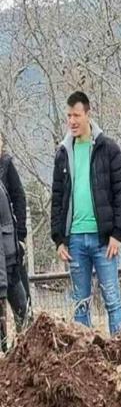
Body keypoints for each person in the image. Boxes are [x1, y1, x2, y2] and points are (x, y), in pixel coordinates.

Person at [50, 91, 121, 334]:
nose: (72, 121)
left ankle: (119, 354)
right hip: (74, 240)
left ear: (87, 115)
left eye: (76, 115)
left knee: (112, 299)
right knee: (80, 304)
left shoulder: (108, 149)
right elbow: (56, 198)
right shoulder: (64, 153)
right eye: (68, 116)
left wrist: (117, 233)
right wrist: (58, 238)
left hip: (103, 240)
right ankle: (85, 359)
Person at [0, 134, 30, 341]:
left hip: (9, 252)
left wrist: (20, 236)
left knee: (22, 307)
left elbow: (19, 198)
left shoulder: (6, 166)